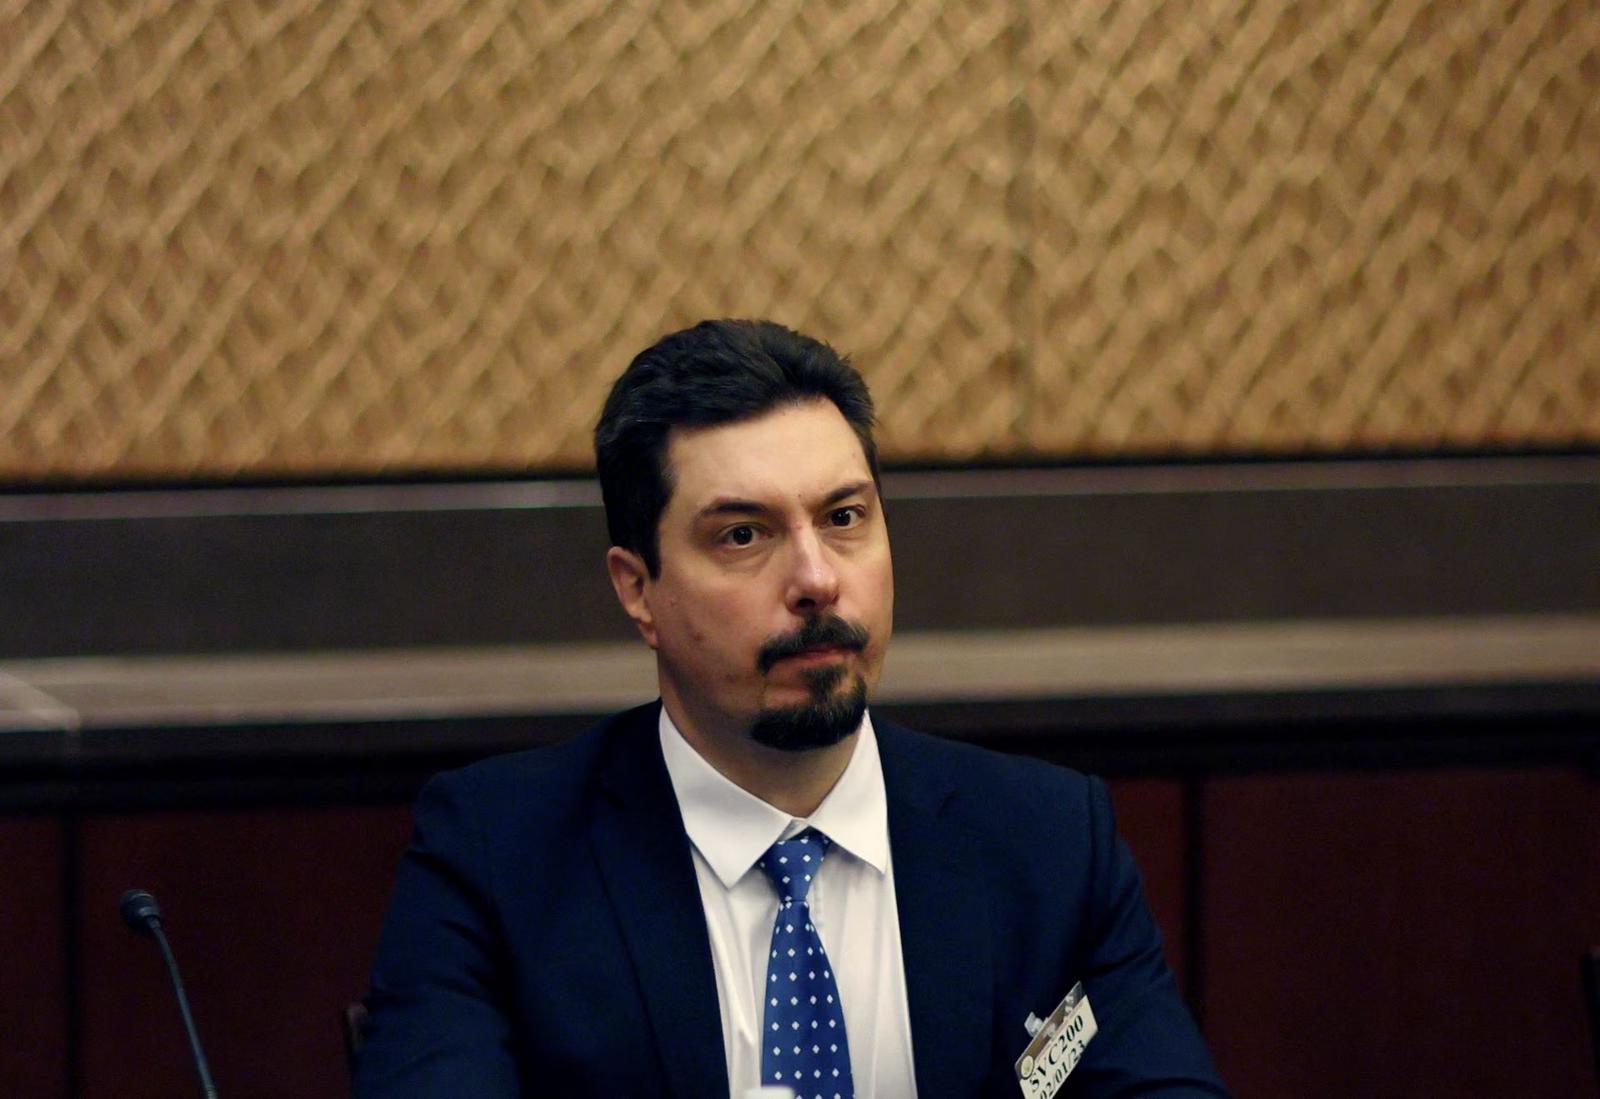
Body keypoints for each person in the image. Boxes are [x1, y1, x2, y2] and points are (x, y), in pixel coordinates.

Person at [355, 319, 1228, 1098]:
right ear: (638, 589)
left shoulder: (1047, 841)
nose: (816, 578)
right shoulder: (497, 857)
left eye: (844, 517)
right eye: (744, 534)